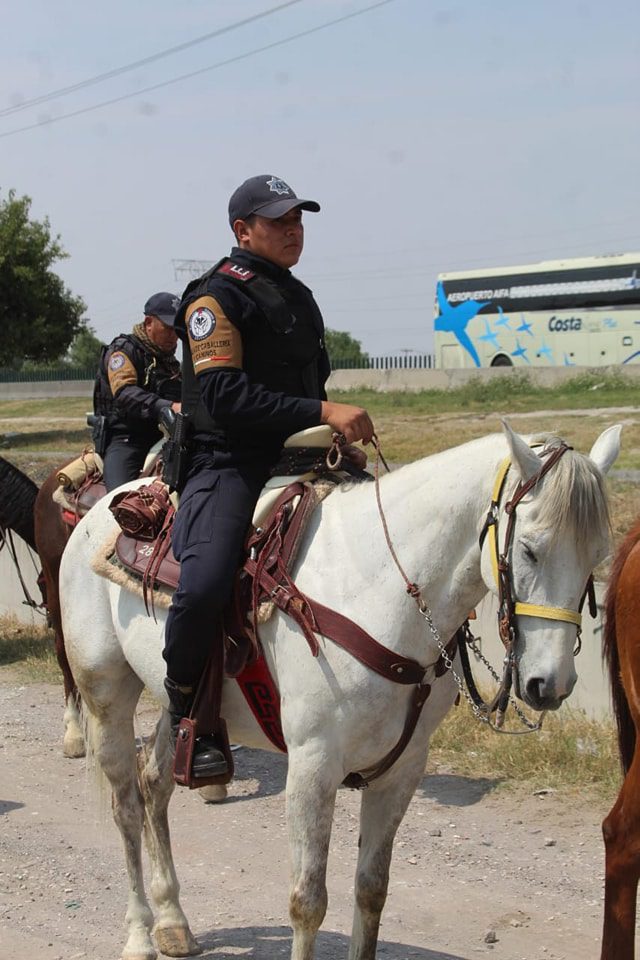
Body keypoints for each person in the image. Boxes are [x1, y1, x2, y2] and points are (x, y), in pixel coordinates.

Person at [163, 174, 374, 779]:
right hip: (227, 461)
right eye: (279, 220)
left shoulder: (299, 296)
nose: (293, 230)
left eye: (298, 220)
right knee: (204, 582)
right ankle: (187, 710)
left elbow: (310, 383)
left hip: (301, 456)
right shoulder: (213, 299)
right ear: (241, 230)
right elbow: (225, 396)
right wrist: (322, 413)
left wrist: (329, 432)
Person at [92, 292, 182, 491]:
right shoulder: (124, 351)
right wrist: (169, 407)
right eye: (168, 328)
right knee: (121, 499)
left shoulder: (171, 363)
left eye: (177, 329)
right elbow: (125, 393)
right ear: (149, 322)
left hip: (168, 437)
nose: (174, 336)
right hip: (128, 440)